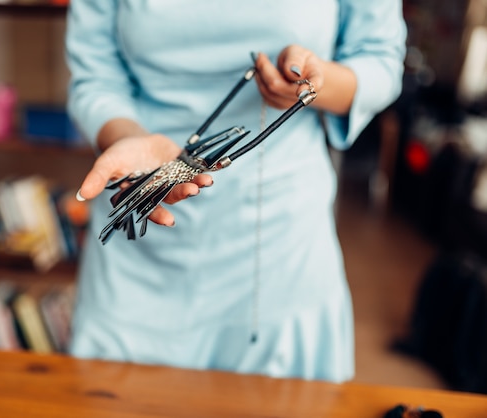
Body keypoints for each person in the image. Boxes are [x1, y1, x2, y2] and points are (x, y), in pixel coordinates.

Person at [65, 1, 406, 382]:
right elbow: (95, 75)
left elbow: (381, 59)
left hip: (280, 253)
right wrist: (126, 137)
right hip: (139, 249)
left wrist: (318, 82)